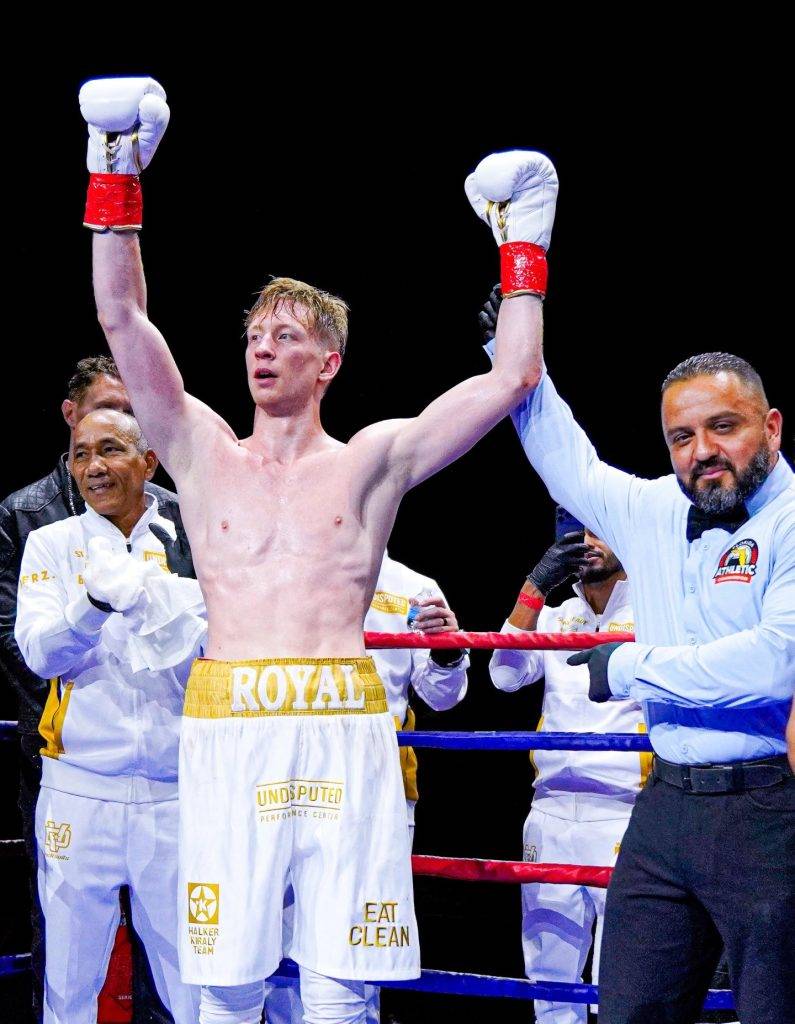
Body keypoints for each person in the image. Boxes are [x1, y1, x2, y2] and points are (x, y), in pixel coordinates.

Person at [80, 77, 553, 1024]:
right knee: (224, 983)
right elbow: (122, 320)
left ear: (327, 361)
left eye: (286, 336)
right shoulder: (200, 451)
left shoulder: (372, 460)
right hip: (229, 722)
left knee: (340, 984)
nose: (261, 350)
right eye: (254, 336)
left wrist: (524, 243)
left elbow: (512, 377)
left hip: (342, 721)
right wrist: (114, 170)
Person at [478, 148, 794, 1024]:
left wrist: (629, 667)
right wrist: (513, 341)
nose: (702, 451)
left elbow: (774, 663)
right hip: (661, 812)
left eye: (723, 427)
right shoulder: (657, 507)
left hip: (766, 810)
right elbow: (564, 459)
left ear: (770, 426)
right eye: (681, 437)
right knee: (626, 1012)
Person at [0, 354, 190, 1024]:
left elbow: (218, 645)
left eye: (111, 449)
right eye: (81, 454)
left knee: (192, 988)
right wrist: (93, 604)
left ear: (150, 459)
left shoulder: (193, 530)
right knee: (69, 987)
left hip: (177, 791)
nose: (93, 467)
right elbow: (37, 650)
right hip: (79, 790)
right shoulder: (49, 542)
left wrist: (169, 606)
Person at [263, 553, 469, 1024]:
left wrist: (446, 653)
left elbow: (442, 697)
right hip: (287, 781)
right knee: (279, 944)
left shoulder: (414, 587)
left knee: (356, 945)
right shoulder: (283, 569)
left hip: (375, 792)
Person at [489, 508, 644, 1024]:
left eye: (599, 527)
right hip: (550, 812)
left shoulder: (656, 610)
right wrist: (534, 587)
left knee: (623, 983)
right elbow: (504, 675)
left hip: (626, 813)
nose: (587, 541)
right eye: (575, 531)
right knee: (549, 985)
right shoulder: (554, 617)